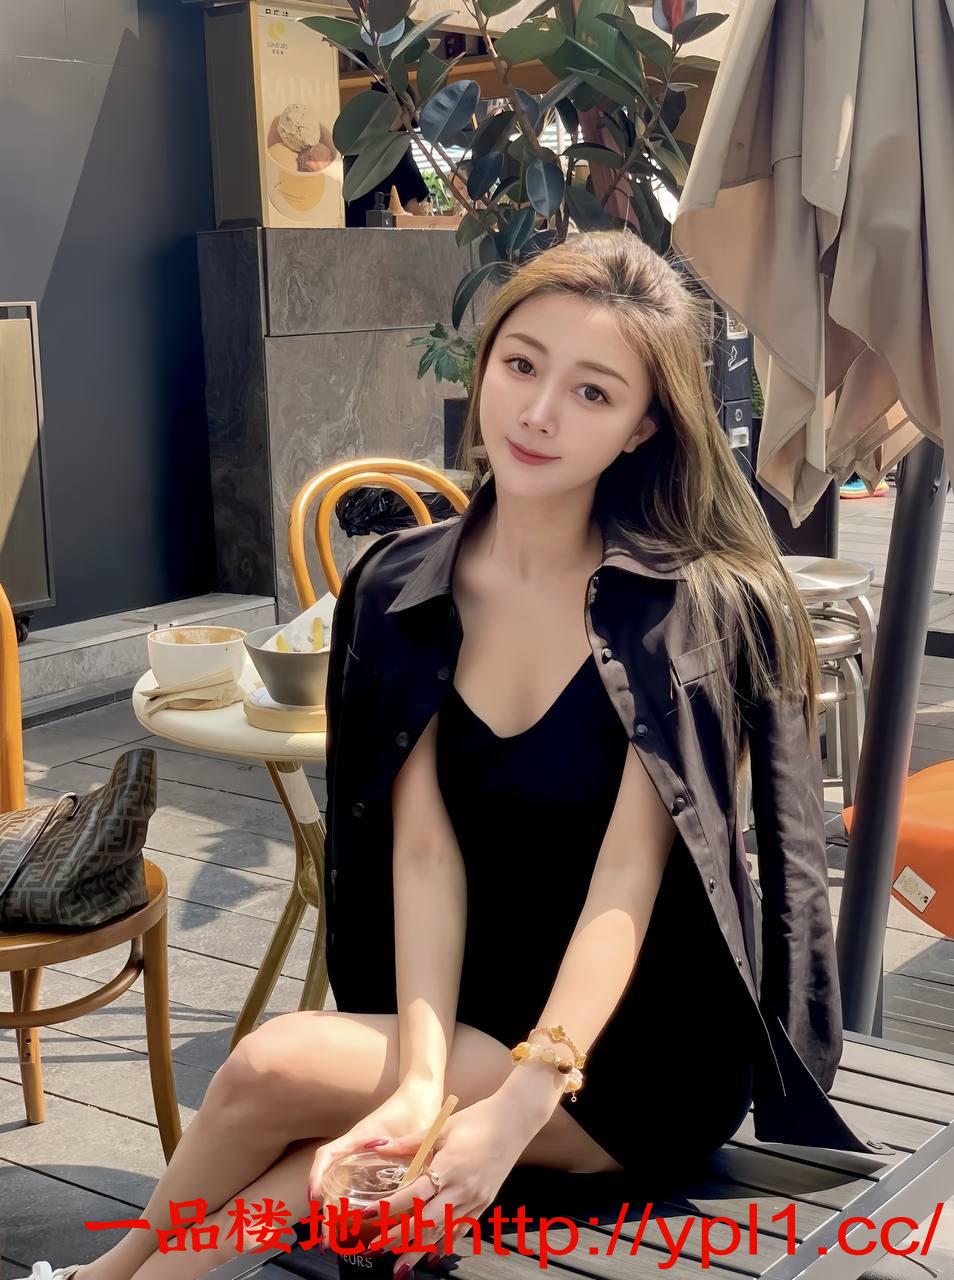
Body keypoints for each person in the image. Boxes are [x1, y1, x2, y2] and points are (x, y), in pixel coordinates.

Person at [36, 232, 875, 1280]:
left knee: (269, 1072)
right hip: (479, 1010)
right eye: (522, 364)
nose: (539, 412)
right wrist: (421, 1084)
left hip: (634, 1049)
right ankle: (111, 1275)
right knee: (303, 1158)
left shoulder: (678, 612)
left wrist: (517, 1105)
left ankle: (105, 1274)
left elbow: (627, 879)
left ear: (643, 426)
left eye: (593, 391)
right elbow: (423, 855)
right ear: (485, 365)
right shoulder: (402, 586)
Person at [343, 80, 429, 227]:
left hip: (351, 233)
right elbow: (412, 207)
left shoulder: (352, 147)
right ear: (403, 108)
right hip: (386, 236)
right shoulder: (398, 146)